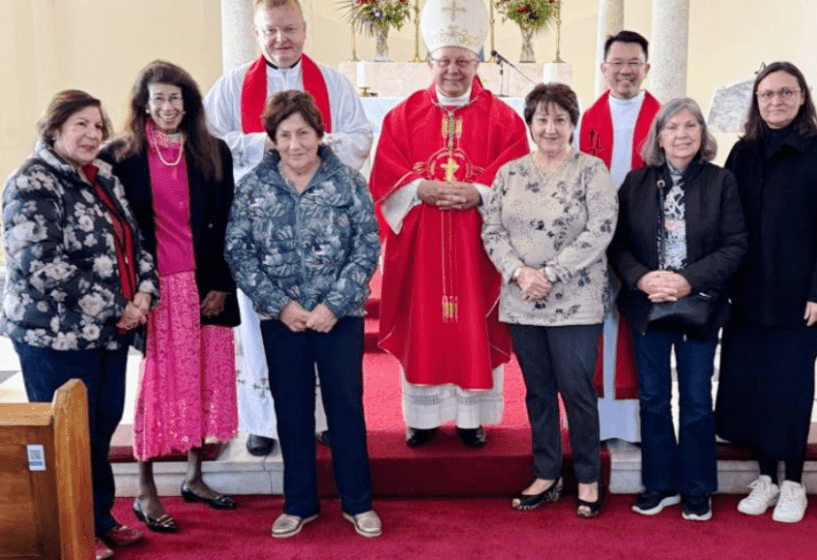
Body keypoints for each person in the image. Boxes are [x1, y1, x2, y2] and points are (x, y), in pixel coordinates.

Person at [204, 0, 374, 456]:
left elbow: (360, 137)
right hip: (262, 231)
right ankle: (263, 421)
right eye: (271, 31)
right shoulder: (233, 85)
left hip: (323, 234)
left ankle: (320, 420)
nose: (281, 39)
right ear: (257, 34)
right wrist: (264, 143)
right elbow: (208, 142)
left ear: (304, 30)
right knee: (265, 326)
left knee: (321, 321)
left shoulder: (333, 84)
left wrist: (317, 144)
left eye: (289, 29)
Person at [2, 89, 158, 560]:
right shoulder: (32, 182)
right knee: (65, 435)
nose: (93, 134)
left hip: (108, 333)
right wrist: (120, 306)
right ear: (54, 129)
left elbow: (136, 239)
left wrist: (146, 291)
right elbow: (41, 265)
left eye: (98, 126)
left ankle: (100, 517)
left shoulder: (103, 176)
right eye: (81, 125)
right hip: (54, 335)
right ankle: (69, 530)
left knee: (100, 426)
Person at [370, 0, 529, 448]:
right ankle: (422, 418)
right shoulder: (401, 116)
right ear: (430, 63)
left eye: (463, 61)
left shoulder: (504, 118)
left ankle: (469, 418)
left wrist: (478, 192)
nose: (454, 70)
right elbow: (384, 173)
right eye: (445, 61)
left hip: (477, 247)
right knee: (426, 325)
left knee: (472, 325)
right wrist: (418, 189)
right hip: (422, 246)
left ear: (478, 62)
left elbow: (516, 171)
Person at [225, 90, 381, 539]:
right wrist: (281, 306)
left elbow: (366, 246)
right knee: (291, 411)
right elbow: (239, 250)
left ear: (319, 134)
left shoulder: (347, 181)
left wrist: (333, 305)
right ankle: (299, 502)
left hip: (339, 316)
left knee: (345, 408)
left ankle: (358, 502)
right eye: (285, 135)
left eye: (304, 133)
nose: (295, 144)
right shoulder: (253, 187)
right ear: (271, 139)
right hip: (283, 320)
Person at [103, 60, 241, 533]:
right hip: (154, 288)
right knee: (158, 388)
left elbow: (226, 222)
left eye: (175, 98)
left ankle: (194, 476)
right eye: (158, 98)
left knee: (202, 381)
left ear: (189, 103)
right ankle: (144, 489)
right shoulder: (120, 155)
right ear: (143, 102)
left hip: (204, 285)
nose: (167, 107)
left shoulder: (213, 151)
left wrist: (222, 283)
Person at [715, 62, 817, 524]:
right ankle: (765, 479)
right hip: (747, 296)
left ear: (801, 98)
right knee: (753, 388)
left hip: (800, 299)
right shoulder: (743, 153)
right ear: (757, 102)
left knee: (791, 390)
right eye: (767, 94)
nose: (776, 101)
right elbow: (726, 224)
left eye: (786, 93)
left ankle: (794, 482)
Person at [482, 83, 617, 518]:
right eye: (542, 118)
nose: (551, 127)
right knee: (538, 392)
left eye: (560, 119)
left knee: (576, 389)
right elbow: (491, 231)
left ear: (573, 124)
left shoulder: (591, 171)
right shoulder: (509, 173)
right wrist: (521, 273)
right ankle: (546, 472)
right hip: (522, 298)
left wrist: (552, 272)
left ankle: (589, 477)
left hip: (575, 300)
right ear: (530, 124)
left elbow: (601, 229)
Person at [609, 98, 747, 522]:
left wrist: (688, 280)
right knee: (653, 398)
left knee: (696, 399)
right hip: (647, 304)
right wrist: (643, 279)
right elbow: (618, 245)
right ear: (659, 136)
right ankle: (660, 483)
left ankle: (697, 487)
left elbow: (736, 244)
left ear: (703, 134)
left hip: (699, 304)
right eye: (672, 127)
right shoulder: (635, 182)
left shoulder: (721, 182)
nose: (682, 134)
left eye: (691, 126)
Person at [579, 30, 661, 443]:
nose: (625, 71)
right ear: (604, 68)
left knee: (633, 326)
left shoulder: (664, 118)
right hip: (594, 238)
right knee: (597, 322)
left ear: (646, 68)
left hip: (644, 242)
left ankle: (630, 422)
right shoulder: (586, 119)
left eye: (634, 63)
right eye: (618, 63)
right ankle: (596, 418)